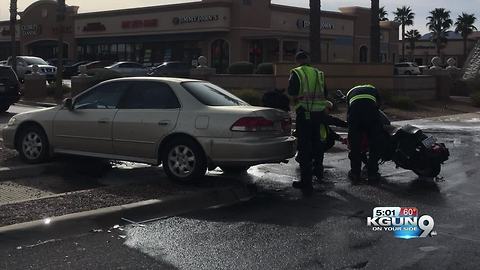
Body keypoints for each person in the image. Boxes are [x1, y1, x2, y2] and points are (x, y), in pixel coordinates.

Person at [288, 51, 330, 196]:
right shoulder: (319, 74)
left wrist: (296, 98)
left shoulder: (297, 73)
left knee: (304, 146)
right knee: (317, 142)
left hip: (305, 112)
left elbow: (291, 91)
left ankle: (306, 182)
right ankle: (318, 171)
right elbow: (325, 92)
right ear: (309, 59)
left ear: (297, 61)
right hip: (318, 113)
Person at [346, 84, 382, 184]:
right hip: (371, 115)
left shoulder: (350, 92)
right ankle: (372, 174)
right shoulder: (373, 89)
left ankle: (355, 174)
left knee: (355, 147)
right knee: (374, 146)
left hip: (355, 116)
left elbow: (349, 110)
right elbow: (379, 105)